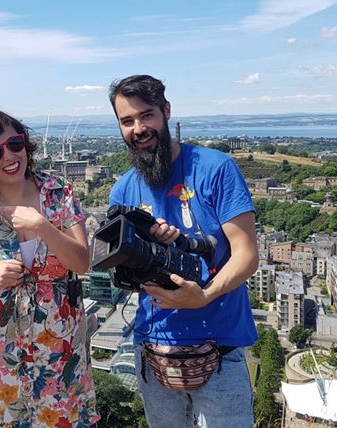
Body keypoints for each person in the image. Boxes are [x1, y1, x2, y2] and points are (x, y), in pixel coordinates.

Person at [107, 75, 260, 428]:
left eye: (146, 115)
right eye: (127, 121)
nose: (138, 128)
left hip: (218, 344)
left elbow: (246, 254)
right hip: (153, 348)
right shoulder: (124, 190)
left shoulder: (214, 168)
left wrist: (204, 295)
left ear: (166, 111)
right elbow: (126, 272)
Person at [0, 110, 99, 427]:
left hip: (60, 344)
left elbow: (81, 262)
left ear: (25, 144)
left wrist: (42, 226)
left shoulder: (59, 193)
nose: (8, 155)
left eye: (14, 144)